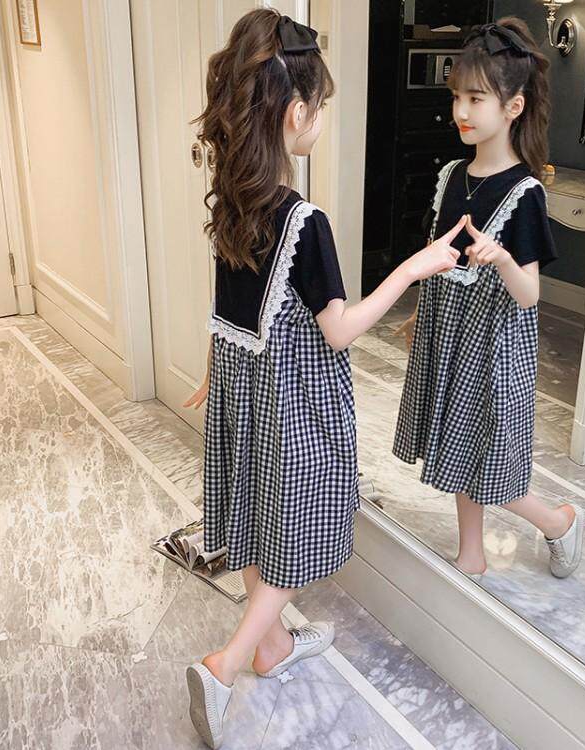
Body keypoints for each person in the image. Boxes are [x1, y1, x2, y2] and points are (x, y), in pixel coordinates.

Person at [180, 9, 466, 748]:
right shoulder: (305, 220)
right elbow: (338, 328)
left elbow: (225, 307)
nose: (323, 117)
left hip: (244, 387)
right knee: (299, 527)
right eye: (322, 104)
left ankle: (272, 648)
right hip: (294, 402)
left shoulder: (236, 200)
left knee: (254, 516)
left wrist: (214, 375)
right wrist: (414, 267)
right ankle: (226, 663)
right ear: (296, 112)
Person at [393, 18, 585, 581]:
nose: (461, 110)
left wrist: (502, 258)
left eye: (476, 98)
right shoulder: (452, 176)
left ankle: (558, 522)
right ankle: (471, 551)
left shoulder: (524, 192)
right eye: (457, 96)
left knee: (491, 461)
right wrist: (420, 312)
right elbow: (440, 260)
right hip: (449, 332)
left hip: (495, 346)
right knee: (457, 449)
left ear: (514, 106)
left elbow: (529, 295)